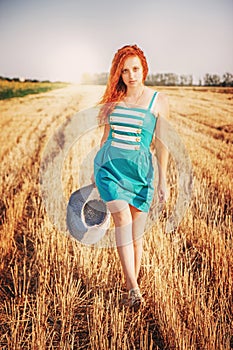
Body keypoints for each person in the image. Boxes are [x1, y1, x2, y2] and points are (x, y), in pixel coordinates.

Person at [92, 44, 169, 308]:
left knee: (137, 236)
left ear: (144, 69)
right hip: (110, 171)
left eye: (135, 69)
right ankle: (133, 288)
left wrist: (163, 181)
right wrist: (96, 172)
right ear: (119, 74)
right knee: (122, 221)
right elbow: (105, 138)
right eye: (125, 71)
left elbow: (162, 144)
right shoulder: (114, 101)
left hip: (141, 175)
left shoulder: (157, 100)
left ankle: (130, 287)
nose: (131, 75)